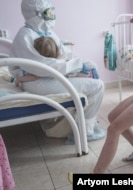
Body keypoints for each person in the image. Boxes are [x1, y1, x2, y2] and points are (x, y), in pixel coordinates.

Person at [9, 0, 106, 142]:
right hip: (36, 80)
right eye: (48, 13)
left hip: (47, 76)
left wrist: (84, 64)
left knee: (91, 77)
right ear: (36, 13)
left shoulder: (48, 32)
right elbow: (43, 67)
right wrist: (77, 66)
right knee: (98, 86)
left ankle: (85, 124)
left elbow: (65, 54)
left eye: (52, 11)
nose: (52, 16)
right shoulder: (25, 36)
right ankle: (85, 132)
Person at [15, 36, 97, 86]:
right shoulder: (60, 59)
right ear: (56, 49)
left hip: (81, 73)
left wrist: (19, 79)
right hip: (84, 71)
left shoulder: (44, 67)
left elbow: (33, 77)